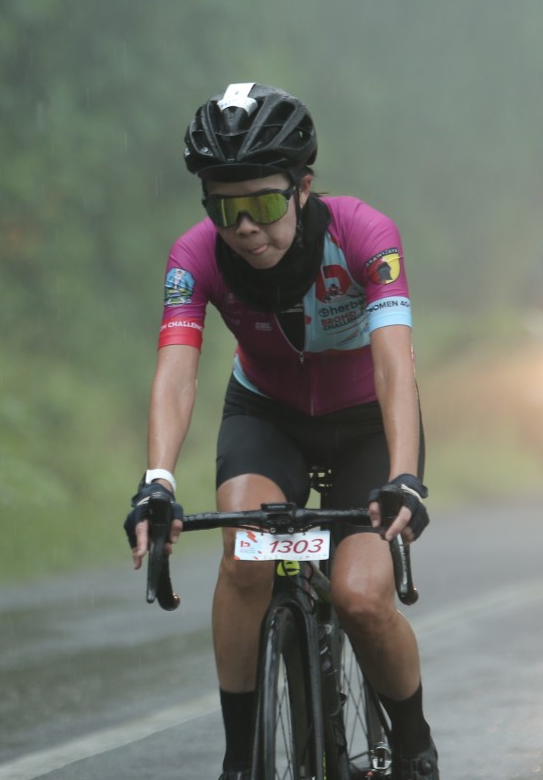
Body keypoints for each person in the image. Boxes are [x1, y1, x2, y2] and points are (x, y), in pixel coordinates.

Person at [125, 83, 439, 780]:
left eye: (263, 205)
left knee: (360, 597)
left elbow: (395, 368)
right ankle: (241, 761)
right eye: (224, 209)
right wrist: (158, 481)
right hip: (268, 417)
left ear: (302, 187)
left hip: (366, 425)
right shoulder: (193, 256)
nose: (243, 228)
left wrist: (404, 475)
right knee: (245, 562)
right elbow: (176, 374)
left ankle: (415, 749)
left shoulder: (365, 235)